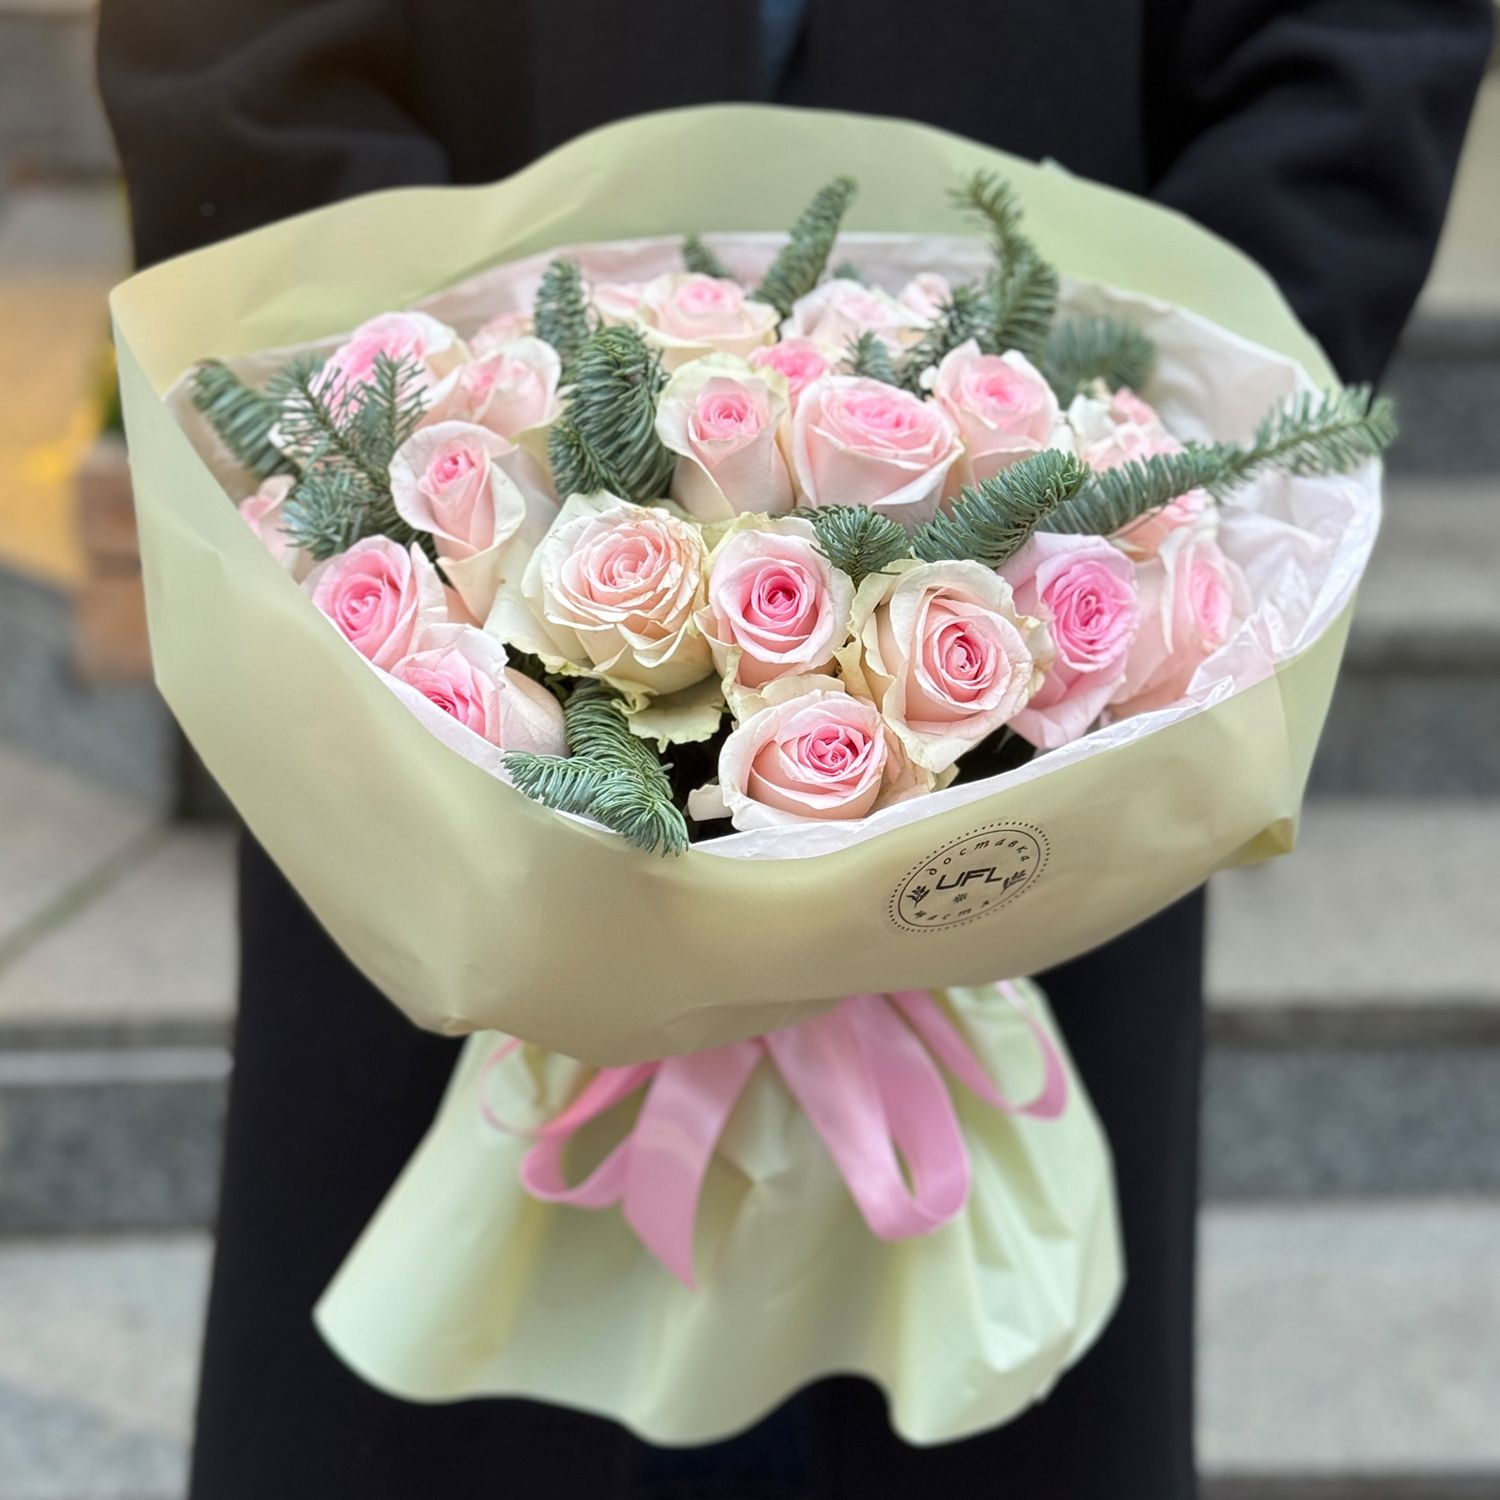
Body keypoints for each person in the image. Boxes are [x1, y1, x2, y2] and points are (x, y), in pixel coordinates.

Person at [97, 4, 1491, 1496]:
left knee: (984, 1420)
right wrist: (433, 424)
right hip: (450, 703)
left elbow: (1350, 43)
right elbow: (235, 59)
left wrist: (1157, 412)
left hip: (1044, 686)